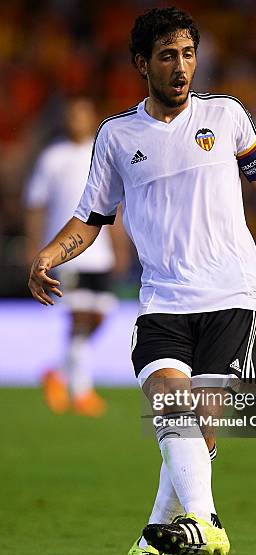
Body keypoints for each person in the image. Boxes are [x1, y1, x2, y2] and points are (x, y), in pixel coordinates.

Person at [28, 7, 256, 555]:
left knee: (196, 432)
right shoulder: (117, 136)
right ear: (140, 63)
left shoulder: (225, 116)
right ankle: (209, 523)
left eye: (188, 54)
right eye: (168, 55)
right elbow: (90, 218)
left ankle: (150, 545)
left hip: (230, 295)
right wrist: (50, 255)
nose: (181, 67)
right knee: (171, 409)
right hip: (162, 301)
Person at [25, 97, 129, 417]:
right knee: (80, 317)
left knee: (99, 315)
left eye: (82, 114)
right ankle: (82, 391)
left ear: (92, 118)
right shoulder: (53, 157)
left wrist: (120, 246)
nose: (76, 120)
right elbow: (36, 205)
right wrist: (36, 248)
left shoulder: (103, 154)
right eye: (71, 115)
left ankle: (57, 372)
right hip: (67, 251)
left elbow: (115, 206)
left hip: (100, 253)